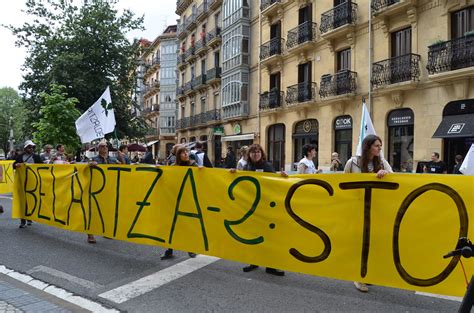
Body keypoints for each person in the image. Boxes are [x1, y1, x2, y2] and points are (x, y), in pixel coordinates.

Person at [344, 134, 392, 292]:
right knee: (360, 242)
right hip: (358, 208)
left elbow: (396, 178)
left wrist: (386, 174)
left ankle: (367, 273)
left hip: (376, 208)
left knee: (373, 242)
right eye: (377, 145)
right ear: (368, 146)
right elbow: (344, 183)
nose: (379, 148)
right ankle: (359, 276)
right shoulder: (352, 163)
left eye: (380, 146)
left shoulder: (382, 162)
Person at [231, 144, 287, 276]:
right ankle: (253, 262)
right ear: (249, 154)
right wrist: (233, 173)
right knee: (253, 236)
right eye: (253, 152)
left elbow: (275, 181)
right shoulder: (246, 167)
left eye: (258, 152)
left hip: (265, 207)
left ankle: (271, 266)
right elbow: (242, 182)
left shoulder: (267, 166)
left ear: (262, 154)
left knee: (268, 237)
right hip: (252, 208)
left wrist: (281, 175)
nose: (256, 154)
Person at [160, 145, 199, 260]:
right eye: (183, 152)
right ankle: (169, 249)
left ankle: (190, 248)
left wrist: (201, 171)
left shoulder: (194, 165)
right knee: (172, 226)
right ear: (178, 155)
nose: (186, 154)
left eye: (187, 152)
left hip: (188, 199)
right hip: (174, 199)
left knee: (187, 224)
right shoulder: (173, 166)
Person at [88, 140, 120, 243]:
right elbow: (86, 167)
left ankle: (106, 232)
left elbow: (125, 167)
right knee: (94, 212)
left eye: (105, 146)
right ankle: (90, 234)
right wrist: (90, 164)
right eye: (102, 146)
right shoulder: (94, 159)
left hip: (109, 189)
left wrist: (122, 156)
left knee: (107, 211)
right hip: (96, 189)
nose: (104, 148)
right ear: (98, 149)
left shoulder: (113, 159)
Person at [13, 140, 42, 228]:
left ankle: (29, 217)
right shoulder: (20, 156)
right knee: (22, 201)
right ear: (25, 148)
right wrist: (17, 165)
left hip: (32, 183)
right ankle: (23, 221)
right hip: (22, 183)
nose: (31, 149)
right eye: (29, 147)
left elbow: (42, 167)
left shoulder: (36, 157)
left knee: (31, 200)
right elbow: (14, 165)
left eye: (32, 147)